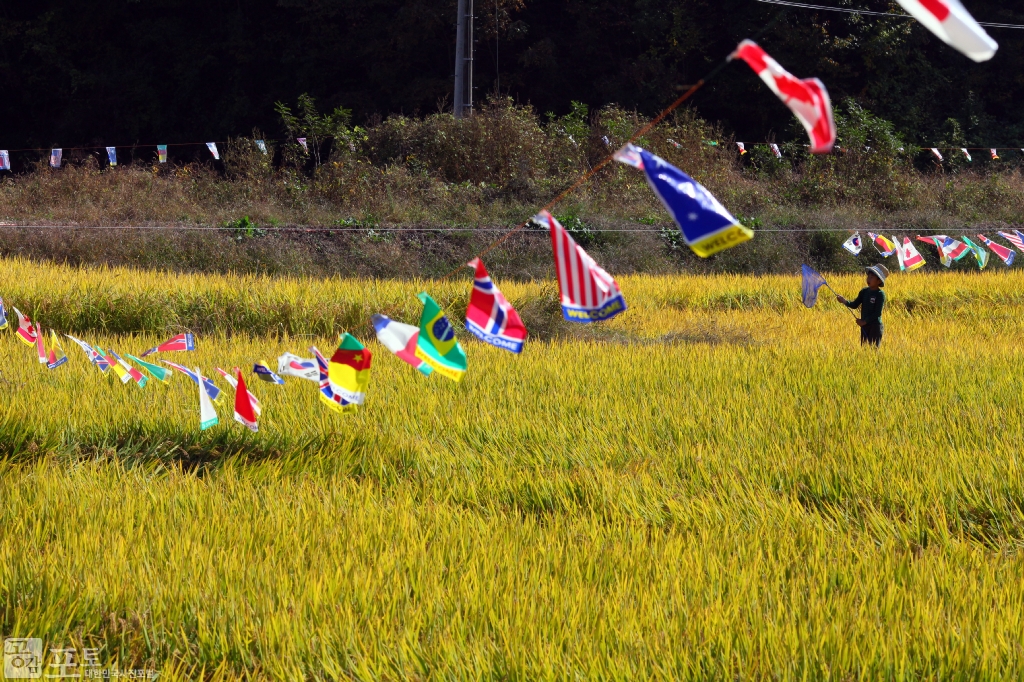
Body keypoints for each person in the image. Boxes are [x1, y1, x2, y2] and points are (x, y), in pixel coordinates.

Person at [836, 265, 888, 347]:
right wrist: (844, 301)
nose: (868, 279)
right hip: (864, 326)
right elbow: (854, 304)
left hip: (875, 326)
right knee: (864, 350)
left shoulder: (880, 294)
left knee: (873, 351)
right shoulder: (864, 291)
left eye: (871, 277)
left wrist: (864, 321)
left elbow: (877, 313)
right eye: (868, 277)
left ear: (879, 281)